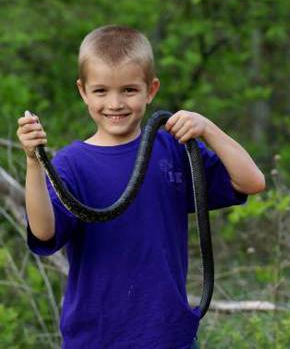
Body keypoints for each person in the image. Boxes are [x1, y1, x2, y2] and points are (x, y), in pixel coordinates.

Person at [17, 25, 265, 348]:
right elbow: (44, 232)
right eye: (101, 91)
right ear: (83, 91)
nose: (115, 103)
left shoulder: (173, 149)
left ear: (151, 90)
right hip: (96, 338)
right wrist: (34, 162)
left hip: (168, 335)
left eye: (129, 90)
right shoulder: (71, 164)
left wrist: (206, 128)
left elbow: (251, 181)